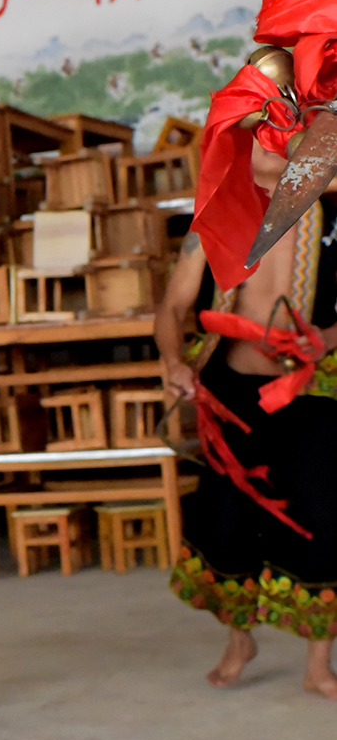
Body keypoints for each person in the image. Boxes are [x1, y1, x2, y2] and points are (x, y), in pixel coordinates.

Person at [157, 139, 337, 699]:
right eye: (261, 132)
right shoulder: (217, 215)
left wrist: (325, 338)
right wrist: (171, 360)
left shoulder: (333, 211)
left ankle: (318, 662)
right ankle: (241, 639)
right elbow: (172, 308)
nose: (274, 143)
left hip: (312, 385)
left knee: (321, 517)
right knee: (226, 523)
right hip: (230, 388)